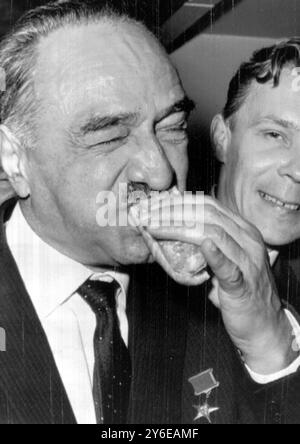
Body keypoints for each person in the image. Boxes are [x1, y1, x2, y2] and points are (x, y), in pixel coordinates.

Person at [0, 0, 297, 424]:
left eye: (171, 127)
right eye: (109, 135)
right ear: (14, 159)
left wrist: (270, 346)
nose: (160, 173)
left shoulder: (215, 301)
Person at [144, 38, 300, 424]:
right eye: (275, 135)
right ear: (221, 138)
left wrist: (274, 345)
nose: (298, 171)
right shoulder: (143, 269)